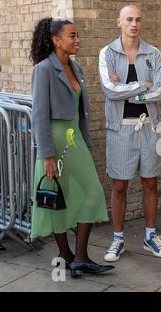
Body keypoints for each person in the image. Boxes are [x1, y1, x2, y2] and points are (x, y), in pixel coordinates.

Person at [30, 18, 114, 278]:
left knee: (92, 192)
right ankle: (67, 255)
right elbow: (39, 115)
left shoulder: (75, 67)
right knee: (58, 197)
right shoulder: (43, 69)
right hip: (55, 139)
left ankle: (79, 256)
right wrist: (47, 155)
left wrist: (84, 140)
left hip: (73, 137)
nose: (78, 40)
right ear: (57, 40)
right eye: (72, 35)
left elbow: (80, 112)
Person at [99, 5, 161, 262]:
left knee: (150, 182)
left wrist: (127, 88)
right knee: (120, 184)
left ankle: (150, 235)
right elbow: (109, 90)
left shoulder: (154, 54)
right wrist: (143, 85)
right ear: (119, 21)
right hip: (120, 128)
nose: (134, 24)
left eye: (138, 19)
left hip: (149, 127)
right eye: (129, 19)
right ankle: (118, 239)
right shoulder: (107, 53)